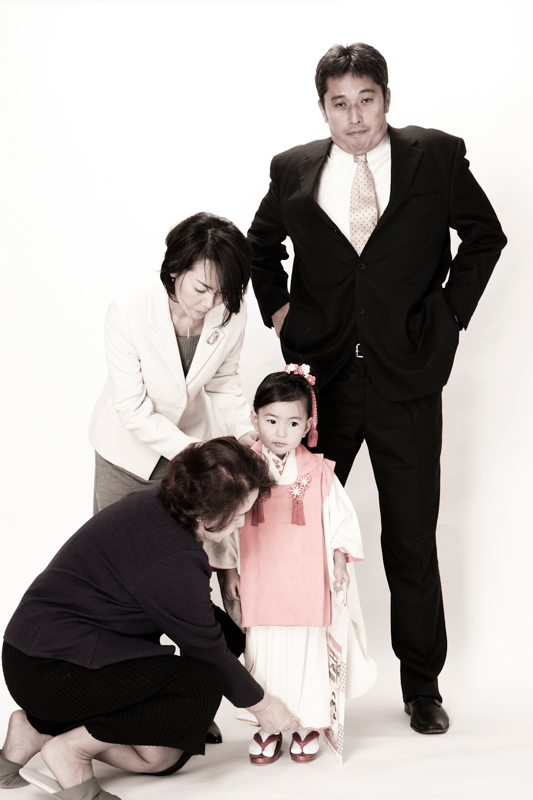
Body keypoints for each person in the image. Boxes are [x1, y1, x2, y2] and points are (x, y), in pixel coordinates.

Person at [248, 43, 507, 734]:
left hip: (407, 381)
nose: (355, 116)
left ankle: (421, 686)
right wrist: (280, 311)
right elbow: (259, 246)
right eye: (340, 103)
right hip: (322, 386)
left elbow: (484, 236)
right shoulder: (293, 169)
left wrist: (448, 315)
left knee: (411, 539)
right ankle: (295, 683)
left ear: (386, 98)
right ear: (323, 109)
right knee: (298, 534)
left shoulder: (434, 156)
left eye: (366, 99)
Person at [0, 438, 295, 799]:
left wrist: (252, 648)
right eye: (236, 516)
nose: (240, 524)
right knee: (200, 684)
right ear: (205, 514)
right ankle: (71, 751)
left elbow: (198, 618)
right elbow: (205, 648)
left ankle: (34, 728)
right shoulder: (174, 559)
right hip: (53, 669)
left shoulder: (154, 505)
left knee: (163, 757)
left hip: (41, 654)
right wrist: (263, 705)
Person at [207, 367, 376, 764]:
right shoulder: (240, 469)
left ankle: (307, 722)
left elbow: (340, 520)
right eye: (271, 421)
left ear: (308, 426)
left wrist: (339, 560)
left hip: (306, 578)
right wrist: (229, 571)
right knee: (265, 651)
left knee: (306, 651)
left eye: (293, 423)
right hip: (261, 577)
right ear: (254, 419)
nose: (281, 432)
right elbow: (225, 525)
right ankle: (267, 726)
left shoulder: (320, 471)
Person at [89, 211, 257, 514]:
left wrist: (245, 429)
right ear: (175, 269)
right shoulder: (129, 310)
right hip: (125, 457)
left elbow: (222, 382)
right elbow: (131, 409)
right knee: (117, 541)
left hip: (186, 462)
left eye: (221, 293)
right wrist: (197, 451)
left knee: (177, 543)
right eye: (201, 289)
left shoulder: (232, 310)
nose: (209, 303)